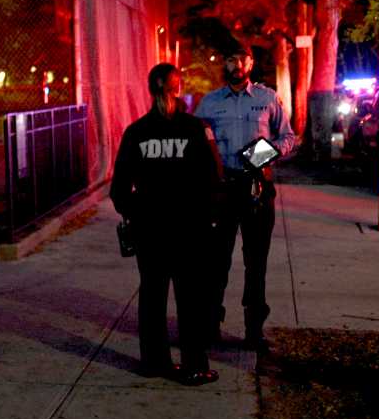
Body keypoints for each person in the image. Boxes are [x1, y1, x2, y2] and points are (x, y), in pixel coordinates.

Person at [110, 63, 223, 385]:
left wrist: (139, 213)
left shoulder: (137, 132)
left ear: (151, 90)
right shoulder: (195, 129)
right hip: (190, 229)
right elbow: (214, 179)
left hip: (151, 231)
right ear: (178, 88)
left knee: (152, 297)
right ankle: (194, 365)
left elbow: (119, 190)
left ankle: (154, 363)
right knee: (191, 300)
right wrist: (209, 217)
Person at [194, 39, 297, 353]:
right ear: (223, 63)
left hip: (256, 188)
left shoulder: (267, 98)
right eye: (230, 59)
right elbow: (196, 141)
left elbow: (289, 136)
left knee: (257, 262)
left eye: (243, 60)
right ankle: (210, 325)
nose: (236, 65)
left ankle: (254, 330)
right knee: (215, 261)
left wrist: (264, 155)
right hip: (221, 190)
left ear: (250, 64)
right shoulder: (209, 103)